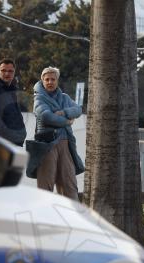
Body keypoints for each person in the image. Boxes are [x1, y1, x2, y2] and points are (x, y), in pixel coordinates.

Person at [31, 66, 83, 200]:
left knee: (69, 183)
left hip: (65, 144)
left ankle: (71, 212)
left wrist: (65, 112)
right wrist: (67, 122)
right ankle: (44, 212)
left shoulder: (65, 97)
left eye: (53, 79)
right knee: (45, 184)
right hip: (47, 145)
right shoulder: (39, 99)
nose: (50, 82)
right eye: (47, 79)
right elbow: (46, 117)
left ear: (57, 81)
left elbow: (78, 109)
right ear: (42, 80)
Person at [0, 58, 27, 147]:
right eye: (3, 70)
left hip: (14, 142)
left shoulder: (12, 90)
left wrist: (21, 133)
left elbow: (15, 115)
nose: (7, 73)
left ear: (14, 73)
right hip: (1, 142)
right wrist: (7, 135)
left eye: (10, 71)